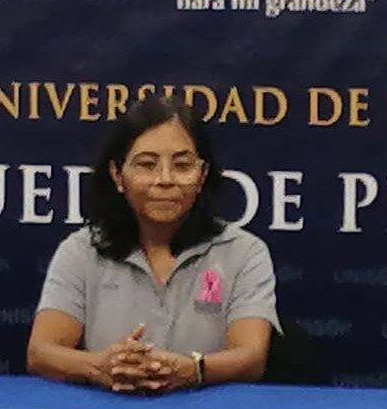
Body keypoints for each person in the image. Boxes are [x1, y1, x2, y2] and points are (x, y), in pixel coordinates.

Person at [27, 95, 280, 392]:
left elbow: (251, 358)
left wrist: (193, 370)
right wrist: (100, 366)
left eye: (182, 165)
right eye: (147, 165)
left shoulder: (244, 252)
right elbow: (41, 353)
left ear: (202, 176)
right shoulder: (81, 250)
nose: (165, 179)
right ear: (117, 174)